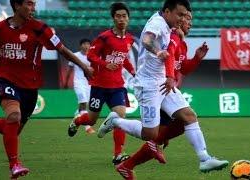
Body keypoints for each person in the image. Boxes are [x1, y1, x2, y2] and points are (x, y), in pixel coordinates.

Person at [0, 0, 92, 179]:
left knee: (12, 129)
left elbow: (62, 49)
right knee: (14, 116)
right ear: (16, 5)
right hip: (5, 79)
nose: (33, 8)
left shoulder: (40, 28)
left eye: (34, 4)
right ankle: (14, 165)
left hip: (30, 86)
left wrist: (84, 67)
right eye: (29, 4)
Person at [98, 3, 229, 179]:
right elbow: (146, 40)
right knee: (150, 134)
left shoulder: (171, 28)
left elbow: (179, 64)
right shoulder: (157, 24)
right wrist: (159, 52)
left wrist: (172, 73)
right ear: (167, 11)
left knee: (189, 116)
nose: (183, 19)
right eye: (180, 15)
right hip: (149, 85)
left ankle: (204, 159)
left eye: (185, 16)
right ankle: (116, 121)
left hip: (164, 82)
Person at [67, 2, 135, 165]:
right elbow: (91, 55)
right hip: (99, 86)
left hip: (117, 86)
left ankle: (118, 154)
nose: (121, 19)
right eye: (118, 16)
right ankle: (77, 121)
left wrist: (134, 72)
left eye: (124, 16)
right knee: (91, 120)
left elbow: (123, 58)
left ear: (128, 19)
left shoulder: (129, 39)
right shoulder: (105, 37)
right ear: (113, 18)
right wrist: (105, 64)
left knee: (121, 117)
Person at [66, 38, 95, 134]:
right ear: (80, 45)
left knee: (86, 104)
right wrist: (66, 82)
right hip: (78, 82)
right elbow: (69, 70)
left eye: (88, 44)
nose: (86, 46)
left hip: (89, 84)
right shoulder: (75, 56)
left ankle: (77, 117)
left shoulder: (92, 56)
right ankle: (88, 127)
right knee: (83, 102)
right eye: (84, 44)